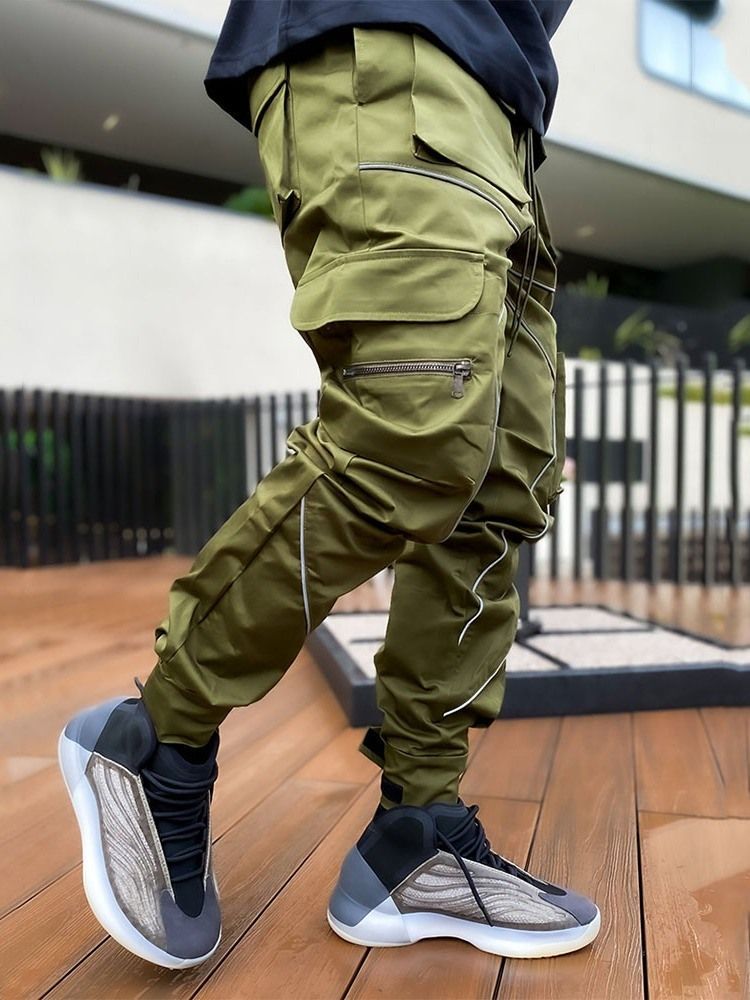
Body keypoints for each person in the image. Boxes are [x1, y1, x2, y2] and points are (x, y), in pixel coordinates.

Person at [58, 1, 600, 969]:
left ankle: (417, 833)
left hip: (508, 104)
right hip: (398, 39)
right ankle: (158, 738)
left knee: (497, 489)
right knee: (407, 438)